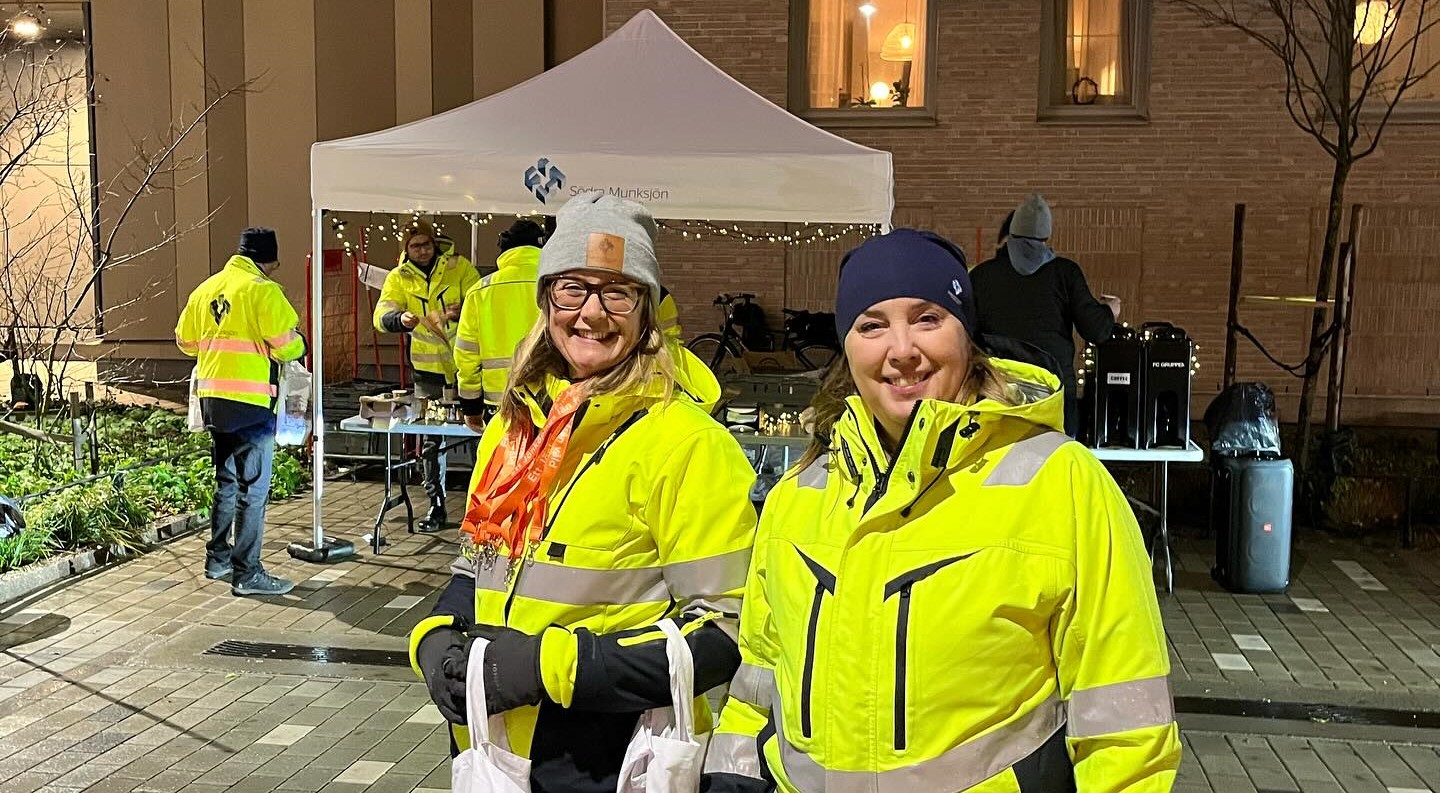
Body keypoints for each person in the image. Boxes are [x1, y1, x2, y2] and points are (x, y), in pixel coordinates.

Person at [704, 229, 1181, 792]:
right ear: (847, 346)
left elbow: (1127, 733)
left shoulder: (1064, 484)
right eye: (871, 324)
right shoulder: (799, 493)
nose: (901, 349)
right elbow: (758, 684)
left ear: (966, 334)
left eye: (928, 318)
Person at [409, 193, 757, 793]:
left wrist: (549, 668)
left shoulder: (688, 442)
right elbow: (477, 561)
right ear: (546, 300)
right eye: (572, 288)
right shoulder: (517, 424)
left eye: (617, 291)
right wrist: (435, 633)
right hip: (494, 751)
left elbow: (726, 635)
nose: (592, 313)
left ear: (647, 310)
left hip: (608, 762)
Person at [175, 228, 306, 597]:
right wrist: (300, 343)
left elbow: (185, 342)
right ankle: (248, 573)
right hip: (251, 404)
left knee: (226, 481)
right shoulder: (263, 290)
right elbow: (286, 346)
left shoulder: (205, 290)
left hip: (213, 400)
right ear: (269, 261)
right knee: (254, 490)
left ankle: (217, 558)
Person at [971, 194, 1121, 437]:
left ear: (1012, 233)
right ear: (1045, 236)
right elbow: (1096, 330)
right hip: (1054, 394)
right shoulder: (1065, 273)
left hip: (997, 393)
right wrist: (1110, 311)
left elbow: (967, 334)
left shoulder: (981, 276)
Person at [373, 220, 479, 531]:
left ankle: (480, 506)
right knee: (431, 442)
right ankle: (436, 504)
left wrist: (464, 309)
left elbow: (480, 300)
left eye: (426, 244)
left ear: (435, 244)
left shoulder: (459, 268)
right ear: (405, 249)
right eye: (415, 246)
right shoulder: (399, 277)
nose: (422, 251)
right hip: (428, 372)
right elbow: (381, 315)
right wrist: (399, 319)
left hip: (466, 366)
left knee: (477, 435)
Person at [454, 219, 548, 430]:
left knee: (499, 462)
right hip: (550, 400)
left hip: (499, 405)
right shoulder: (554, 285)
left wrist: (470, 408)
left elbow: (466, 357)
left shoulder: (480, 291)